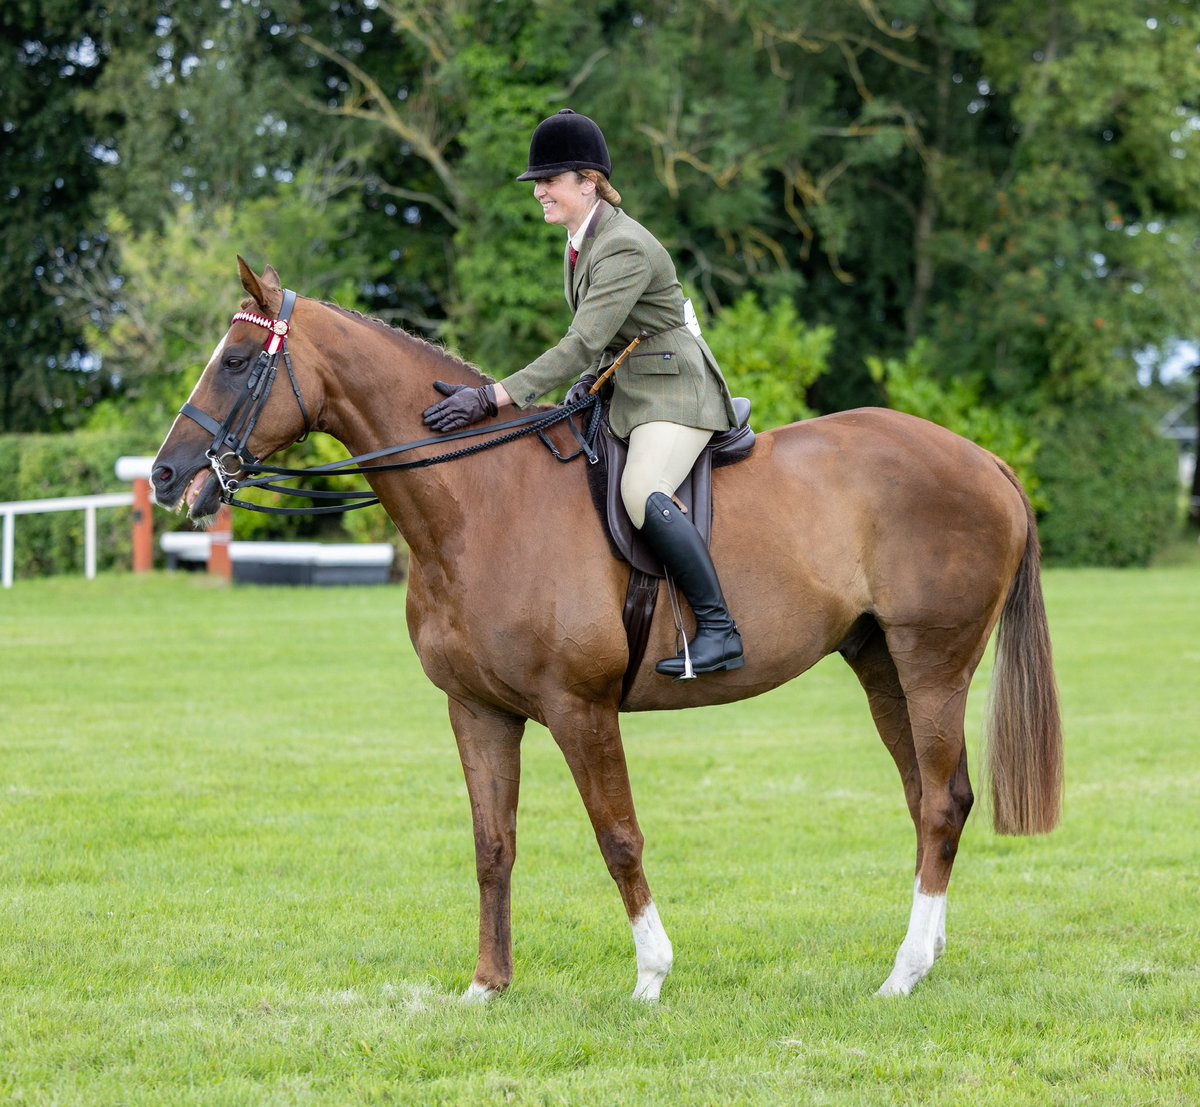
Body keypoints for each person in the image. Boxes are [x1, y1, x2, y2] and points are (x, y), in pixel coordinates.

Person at [422, 108, 743, 679]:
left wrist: (493, 396)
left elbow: (581, 340)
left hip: (675, 392)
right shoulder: (580, 241)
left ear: (588, 181)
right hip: (627, 388)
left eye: (550, 180)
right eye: (537, 182)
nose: (539, 192)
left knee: (642, 489)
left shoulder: (623, 247)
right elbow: (606, 340)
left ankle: (719, 628)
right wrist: (586, 380)